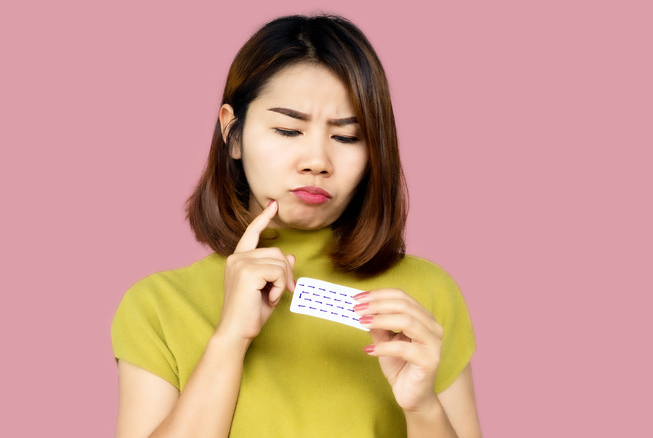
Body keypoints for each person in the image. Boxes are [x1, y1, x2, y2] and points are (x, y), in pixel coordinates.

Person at [112, 14, 481, 438]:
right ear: (232, 132)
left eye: (346, 137)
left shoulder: (427, 294)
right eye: (289, 130)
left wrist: (423, 408)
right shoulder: (157, 306)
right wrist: (230, 340)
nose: (318, 161)